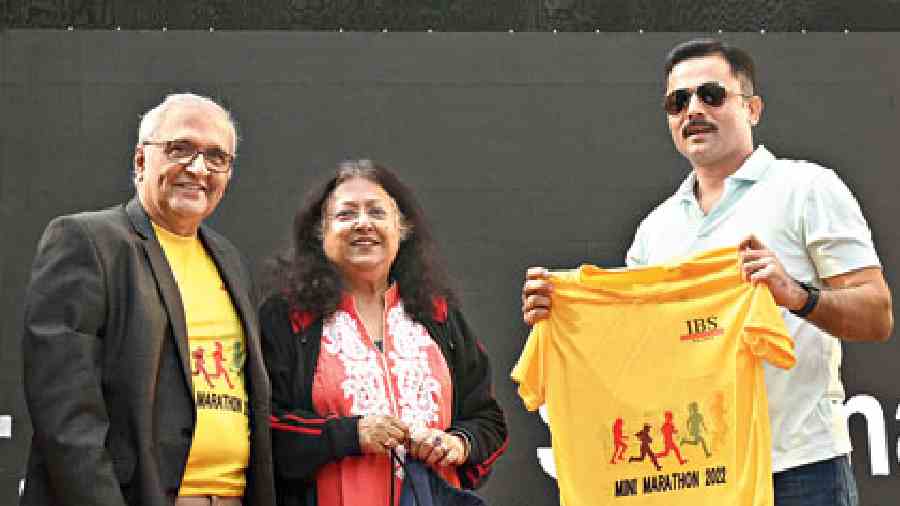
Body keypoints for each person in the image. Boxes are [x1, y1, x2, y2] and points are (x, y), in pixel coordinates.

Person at [521, 39, 893, 506]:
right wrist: (566, 317)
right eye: (678, 101)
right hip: (698, 474)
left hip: (798, 468)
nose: (693, 109)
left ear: (753, 109)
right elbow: (639, 354)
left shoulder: (807, 188)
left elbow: (877, 315)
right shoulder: (655, 230)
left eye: (711, 95)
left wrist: (796, 296)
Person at [21, 93, 275, 506]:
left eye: (217, 158)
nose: (198, 168)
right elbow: (66, 418)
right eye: (181, 149)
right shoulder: (88, 242)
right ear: (141, 160)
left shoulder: (228, 259)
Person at [260, 160, 508, 506]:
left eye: (377, 212)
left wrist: (457, 443)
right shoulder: (288, 318)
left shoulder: (438, 316)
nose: (363, 224)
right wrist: (350, 435)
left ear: (402, 228)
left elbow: (488, 420)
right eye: (346, 215)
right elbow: (263, 429)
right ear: (321, 232)